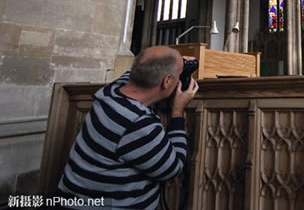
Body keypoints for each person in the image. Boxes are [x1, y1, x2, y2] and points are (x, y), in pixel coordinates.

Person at [57, 46, 199, 209]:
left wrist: (178, 62)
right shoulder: (137, 122)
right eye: (177, 75)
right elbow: (173, 168)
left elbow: (136, 71)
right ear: (166, 81)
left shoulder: (110, 93)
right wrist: (177, 111)